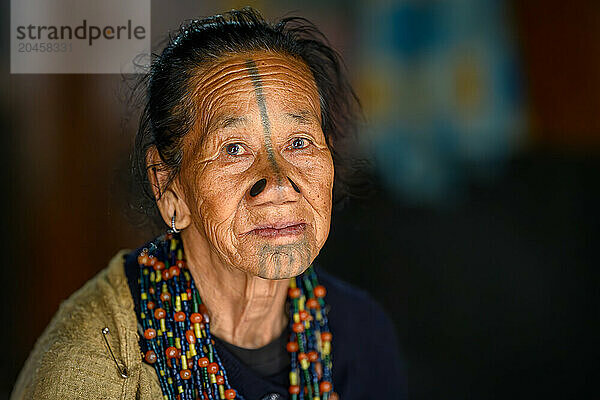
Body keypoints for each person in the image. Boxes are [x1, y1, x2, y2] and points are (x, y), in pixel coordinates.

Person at [12, 8, 405, 400]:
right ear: (169, 188)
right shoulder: (98, 363)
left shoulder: (359, 332)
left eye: (299, 143)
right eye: (234, 149)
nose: (279, 182)